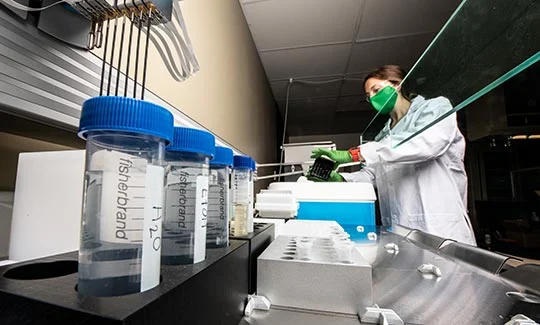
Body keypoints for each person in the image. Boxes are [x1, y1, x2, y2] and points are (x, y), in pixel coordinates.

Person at [309, 65, 476, 245]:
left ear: (397, 84)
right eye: (368, 96)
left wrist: (354, 155)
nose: (372, 98)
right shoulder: (383, 135)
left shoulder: (435, 108)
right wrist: (341, 179)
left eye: (376, 90)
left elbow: (427, 144)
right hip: (400, 227)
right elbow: (373, 175)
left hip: (438, 225)